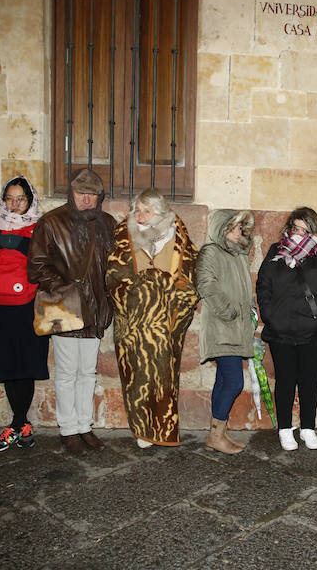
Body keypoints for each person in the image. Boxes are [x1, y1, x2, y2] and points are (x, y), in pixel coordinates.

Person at [27, 169, 115, 456]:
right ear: (71, 193)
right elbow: (36, 265)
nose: (87, 199)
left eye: (92, 194)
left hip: (96, 307)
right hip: (65, 307)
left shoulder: (108, 223)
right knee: (66, 372)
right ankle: (68, 430)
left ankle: (83, 425)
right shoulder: (51, 222)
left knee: (87, 372)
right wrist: (67, 288)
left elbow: (115, 264)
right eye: (81, 193)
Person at [106, 189, 198, 449]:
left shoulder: (179, 238)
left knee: (164, 379)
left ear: (160, 212)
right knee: (138, 379)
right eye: (137, 210)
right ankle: (143, 430)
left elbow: (190, 278)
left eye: (147, 210)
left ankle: (163, 428)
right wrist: (145, 287)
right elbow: (114, 276)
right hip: (134, 323)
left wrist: (172, 295)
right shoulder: (123, 238)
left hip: (166, 323)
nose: (141, 215)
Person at [257, 207, 317, 451]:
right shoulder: (277, 252)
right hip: (281, 329)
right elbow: (264, 284)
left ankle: (308, 428)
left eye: (305, 230)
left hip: (311, 330)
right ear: (288, 229)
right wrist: (270, 315)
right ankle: (285, 430)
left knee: (309, 381)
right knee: (285, 381)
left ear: (315, 231)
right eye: (295, 229)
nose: (299, 234)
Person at [0, 176, 50, 452]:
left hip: (27, 305)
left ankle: (18, 423)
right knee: (7, 364)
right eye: (10, 198)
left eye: (21, 198)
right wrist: (0, 243)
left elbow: (46, 265)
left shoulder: (39, 227)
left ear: (30, 200)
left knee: (25, 364)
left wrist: (19, 246)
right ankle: (21, 424)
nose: (15, 204)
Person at [196, 209, 256, 454]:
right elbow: (206, 285)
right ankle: (215, 436)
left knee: (223, 381)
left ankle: (218, 433)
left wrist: (249, 311)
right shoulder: (211, 252)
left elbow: (243, 289)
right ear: (221, 229)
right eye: (233, 227)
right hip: (222, 327)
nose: (237, 232)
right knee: (233, 382)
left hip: (237, 328)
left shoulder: (238, 254)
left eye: (240, 228)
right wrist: (229, 312)